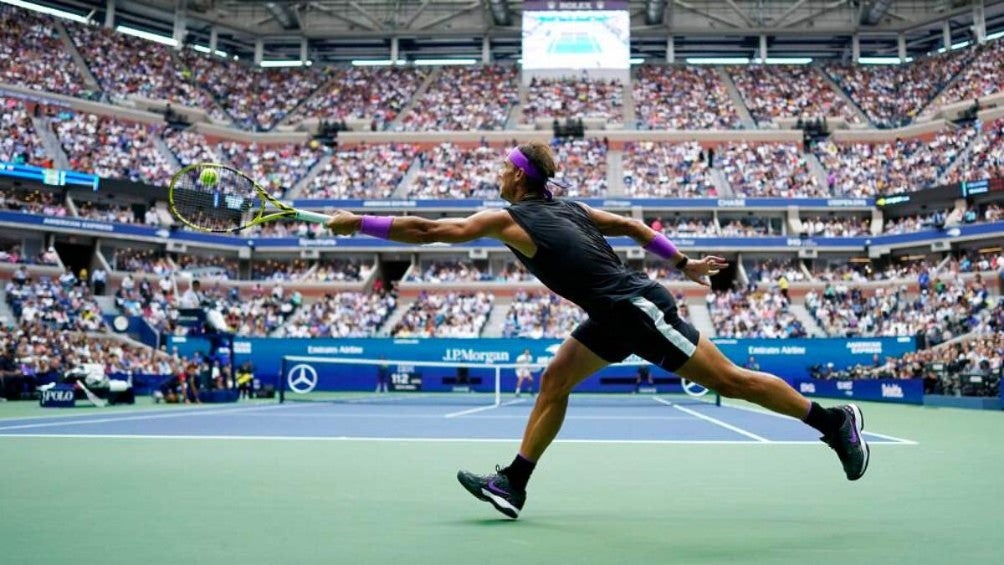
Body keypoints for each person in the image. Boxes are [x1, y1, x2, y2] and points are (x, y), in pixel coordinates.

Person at [325, 142, 869, 519]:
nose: (498, 174)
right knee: (555, 379)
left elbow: (429, 230)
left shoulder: (506, 218)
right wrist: (682, 264)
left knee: (732, 381)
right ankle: (513, 482)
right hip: (610, 314)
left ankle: (833, 422)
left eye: (502, 167)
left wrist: (359, 223)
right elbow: (632, 225)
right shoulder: (571, 207)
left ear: (518, 176)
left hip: (634, 308)